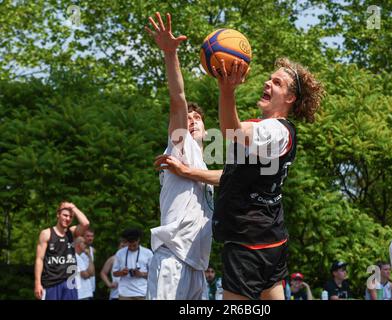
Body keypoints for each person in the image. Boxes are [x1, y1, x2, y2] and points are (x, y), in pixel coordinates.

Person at [156, 41, 324, 300]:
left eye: (277, 83)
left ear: (290, 98)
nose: (268, 83)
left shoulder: (276, 130)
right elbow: (230, 176)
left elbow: (229, 128)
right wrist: (189, 173)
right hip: (271, 239)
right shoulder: (264, 130)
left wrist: (227, 89)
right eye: (269, 79)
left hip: (248, 241)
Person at [144, 12, 217, 300]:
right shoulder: (180, 145)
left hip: (198, 264)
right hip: (173, 256)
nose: (191, 120)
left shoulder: (204, 166)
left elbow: (232, 178)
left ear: (207, 130)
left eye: (197, 118)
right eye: (188, 118)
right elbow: (178, 99)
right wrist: (170, 53)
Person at [34, 202, 90, 300]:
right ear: (58, 215)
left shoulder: (72, 232)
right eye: (65, 215)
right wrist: (37, 283)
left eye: (70, 217)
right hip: (51, 282)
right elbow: (39, 259)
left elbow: (85, 223)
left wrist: (73, 207)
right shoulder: (46, 233)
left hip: (70, 283)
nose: (67, 219)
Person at [112, 229, 153, 300]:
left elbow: (154, 274)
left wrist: (141, 274)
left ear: (138, 240)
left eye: (134, 245)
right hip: (125, 294)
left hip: (142, 293)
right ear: (126, 242)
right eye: (129, 244)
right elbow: (114, 273)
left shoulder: (148, 253)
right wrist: (122, 272)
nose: (131, 247)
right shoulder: (120, 253)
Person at [83, 228, 96, 297]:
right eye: (88, 236)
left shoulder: (92, 250)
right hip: (82, 288)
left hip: (91, 287)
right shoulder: (79, 250)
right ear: (83, 237)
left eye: (92, 236)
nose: (90, 238)